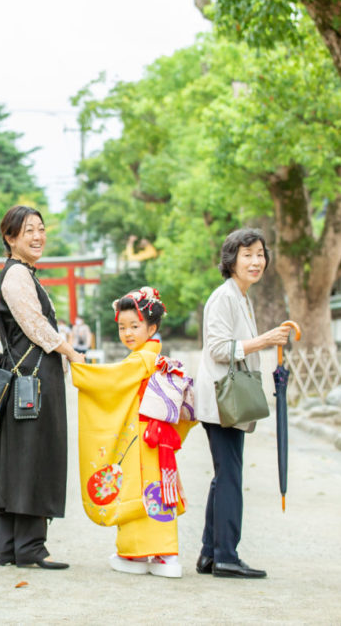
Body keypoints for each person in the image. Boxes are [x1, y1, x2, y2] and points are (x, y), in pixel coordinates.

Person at [71, 287, 197, 579]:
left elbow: (112, 380)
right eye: (122, 327)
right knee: (158, 489)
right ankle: (166, 554)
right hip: (156, 437)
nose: (127, 333)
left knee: (137, 488)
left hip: (145, 436)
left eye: (135, 326)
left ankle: (137, 554)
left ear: (152, 327)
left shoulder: (142, 360)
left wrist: (82, 369)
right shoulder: (150, 356)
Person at [0, 205, 85, 570]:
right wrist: (72, 352)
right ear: (10, 238)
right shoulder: (16, 276)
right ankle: (30, 547)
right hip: (33, 382)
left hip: (27, 380)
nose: (38, 236)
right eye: (28, 230)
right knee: (32, 457)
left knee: (21, 458)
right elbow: (34, 325)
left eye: (41, 229)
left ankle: (12, 545)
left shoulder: (22, 274)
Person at [193, 228, 292, 579]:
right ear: (231, 259)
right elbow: (218, 348)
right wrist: (264, 340)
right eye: (247, 254)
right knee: (231, 476)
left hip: (228, 398)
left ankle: (210, 553)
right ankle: (226, 556)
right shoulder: (224, 297)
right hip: (222, 399)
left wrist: (262, 342)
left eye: (260, 254)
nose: (256, 261)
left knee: (225, 476)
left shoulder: (240, 296)